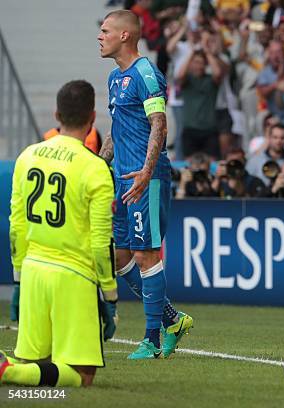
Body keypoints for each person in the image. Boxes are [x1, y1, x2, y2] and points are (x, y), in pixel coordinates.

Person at [1, 80, 116, 387]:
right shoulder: (95, 169)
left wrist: (18, 279)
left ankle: (13, 369)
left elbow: (17, 225)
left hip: (35, 271)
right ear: (92, 119)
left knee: (36, 365)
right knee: (81, 376)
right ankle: (6, 371)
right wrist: (110, 294)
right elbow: (101, 239)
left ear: (56, 115)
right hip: (74, 277)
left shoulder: (27, 157)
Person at [97, 10, 193, 360]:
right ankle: (171, 319)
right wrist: (98, 164)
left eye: (105, 30)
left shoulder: (146, 73)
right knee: (122, 257)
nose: (100, 36)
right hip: (123, 178)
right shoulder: (114, 77)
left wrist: (145, 172)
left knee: (146, 254)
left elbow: (159, 124)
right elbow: (116, 127)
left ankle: (152, 340)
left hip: (145, 179)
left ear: (125, 36)